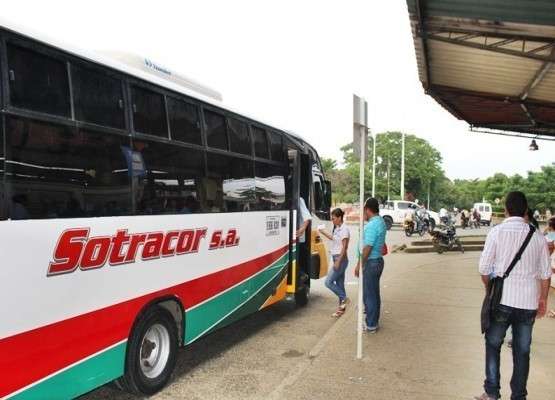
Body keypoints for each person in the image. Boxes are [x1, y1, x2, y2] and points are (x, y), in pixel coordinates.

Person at [475, 191, 551, 400]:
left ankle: (491, 392)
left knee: (493, 343)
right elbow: (546, 274)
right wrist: (543, 299)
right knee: (522, 351)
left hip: (502, 300)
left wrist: (489, 289)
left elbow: (484, 268)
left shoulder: (497, 232)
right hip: (528, 303)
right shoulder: (537, 236)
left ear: (507, 209)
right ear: (526, 210)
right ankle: (519, 396)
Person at [355, 197, 387, 333]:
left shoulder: (373, 225)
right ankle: (372, 321)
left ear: (367, 210)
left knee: (369, 295)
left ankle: (371, 324)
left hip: (371, 262)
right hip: (377, 261)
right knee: (373, 293)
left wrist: (359, 265)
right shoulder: (380, 221)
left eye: (364, 210)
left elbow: (367, 247)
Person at [319, 208, 350, 317]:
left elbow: (344, 247)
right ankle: (341, 309)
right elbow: (333, 239)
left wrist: (338, 262)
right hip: (336, 258)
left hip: (340, 260)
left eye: (333, 218)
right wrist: (322, 232)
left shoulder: (344, 229)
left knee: (328, 282)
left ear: (339, 217)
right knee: (340, 284)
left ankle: (344, 298)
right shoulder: (337, 228)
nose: (332, 220)